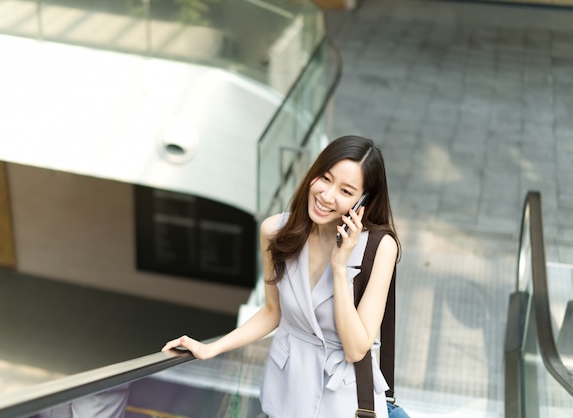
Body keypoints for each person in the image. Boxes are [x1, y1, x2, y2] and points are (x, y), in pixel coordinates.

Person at [162, 135, 400, 418]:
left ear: (363, 201)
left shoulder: (379, 247)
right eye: (325, 178)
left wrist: (339, 266)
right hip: (286, 390)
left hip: (343, 401)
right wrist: (213, 348)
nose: (326, 196)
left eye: (346, 191)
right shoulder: (276, 231)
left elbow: (356, 349)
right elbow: (273, 312)